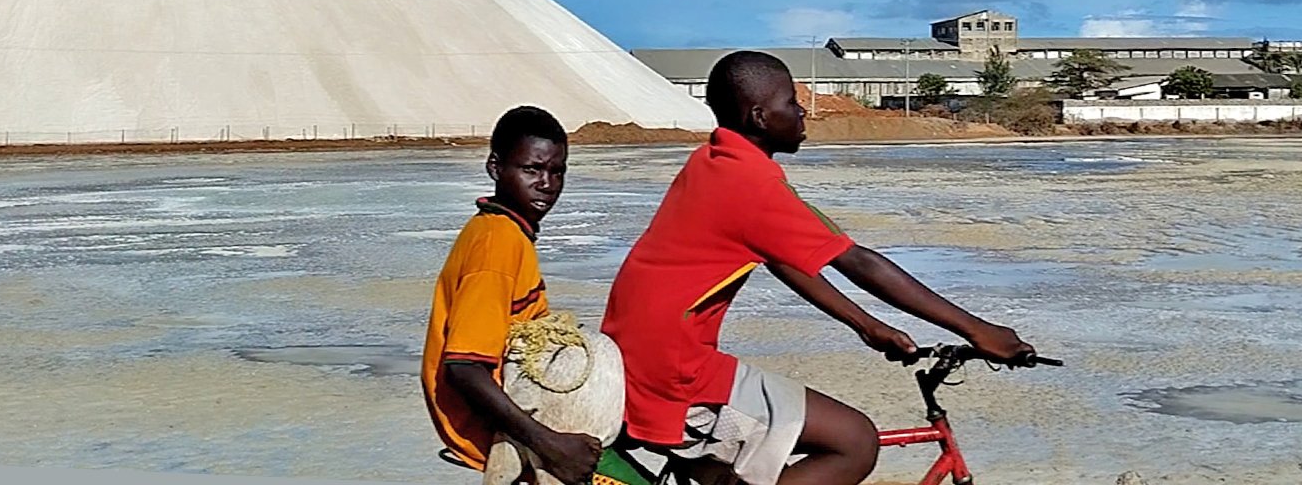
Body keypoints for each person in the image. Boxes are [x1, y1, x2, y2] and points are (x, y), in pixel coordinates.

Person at [601, 51, 1036, 485]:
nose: (802, 109)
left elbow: (780, 257)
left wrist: (865, 324)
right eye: (791, 101)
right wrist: (978, 331)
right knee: (853, 441)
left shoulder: (714, 161)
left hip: (638, 347)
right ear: (760, 116)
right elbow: (858, 261)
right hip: (672, 366)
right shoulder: (751, 185)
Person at [422, 105, 602, 484]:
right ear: (495, 168)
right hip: (503, 432)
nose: (547, 184)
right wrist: (552, 445)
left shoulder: (504, 231)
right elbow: (465, 367)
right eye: (532, 169)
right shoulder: (497, 244)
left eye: (557, 171)